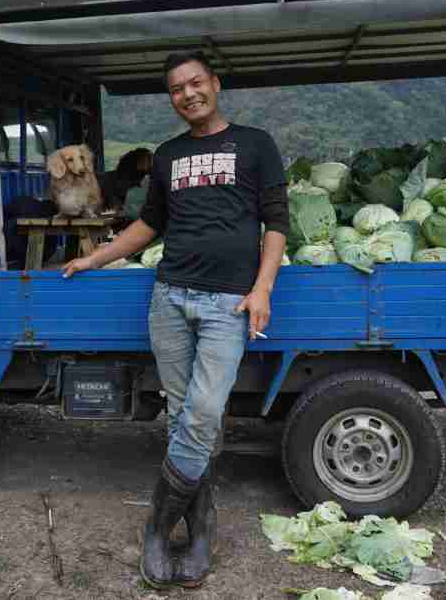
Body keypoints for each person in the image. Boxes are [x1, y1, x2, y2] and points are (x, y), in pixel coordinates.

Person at [62, 51, 288, 589]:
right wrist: (95, 257)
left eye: (195, 83)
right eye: (176, 89)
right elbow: (150, 225)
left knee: (203, 414)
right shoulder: (167, 155)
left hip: (226, 305)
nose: (187, 94)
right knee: (184, 417)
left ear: (215, 83)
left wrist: (262, 289)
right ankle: (202, 526)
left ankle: (158, 529)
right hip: (170, 299)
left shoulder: (256, 145)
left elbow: (276, 224)